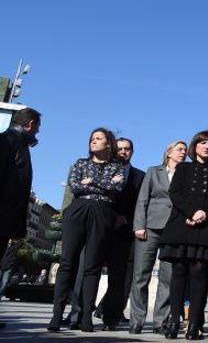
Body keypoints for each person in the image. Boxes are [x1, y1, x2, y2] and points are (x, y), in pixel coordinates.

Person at [48, 128, 129, 333]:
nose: (93, 141)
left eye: (98, 138)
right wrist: (104, 185)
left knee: (92, 264)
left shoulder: (117, 167)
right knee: (67, 262)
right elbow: (75, 186)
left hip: (102, 213)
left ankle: (86, 317)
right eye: (92, 139)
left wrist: (91, 182)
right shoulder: (80, 163)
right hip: (78, 210)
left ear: (108, 144)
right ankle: (57, 315)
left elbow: (117, 190)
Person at [159, 130, 208, 339]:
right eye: (203, 143)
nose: (207, 147)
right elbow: (175, 193)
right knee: (179, 273)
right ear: (195, 146)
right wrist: (191, 212)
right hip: (182, 225)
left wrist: (203, 213)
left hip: (207, 228)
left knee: (200, 275)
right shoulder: (183, 168)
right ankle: (174, 321)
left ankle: (194, 325)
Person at [130, 140, 186, 334]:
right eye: (179, 150)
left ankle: (160, 321)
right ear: (169, 153)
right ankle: (136, 320)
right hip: (150, 228)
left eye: (185, 150)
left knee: (167, 277)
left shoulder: (186, 174)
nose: (183, 153)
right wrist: (139, 225)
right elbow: (143, 198)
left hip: (174, 231)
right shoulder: (154, 171)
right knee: (140, 275)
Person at [98, 137, 146, 330]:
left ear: (132, 152)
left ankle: (112, 314)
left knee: (123, 274)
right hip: (103, 227)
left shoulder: (140, 176)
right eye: (120, 149)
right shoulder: (102, 171)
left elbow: (142, 205)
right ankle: (81, 311)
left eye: (127, 149)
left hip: (127, 231)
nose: (123, 152)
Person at [0, 107, 39, 330]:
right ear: (30, 125)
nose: (37, 135)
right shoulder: (8, 142)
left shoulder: (18, 144)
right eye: (37, 129)